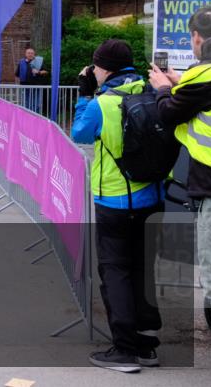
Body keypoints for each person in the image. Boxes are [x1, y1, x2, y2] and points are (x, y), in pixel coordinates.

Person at [71, 39, 162, 372]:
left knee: (115, 272)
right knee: (142, 270)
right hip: (152, 197)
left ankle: (124, 350)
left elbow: (80, 133)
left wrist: (84, 95)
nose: (93, 72)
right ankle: (147, 347)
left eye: (95, 67)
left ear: (105, 69)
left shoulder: (103, 102)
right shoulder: (153, 92)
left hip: (114, 199)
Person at [151, 7, 211, 343]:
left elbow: (169, 114)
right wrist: (178, 85)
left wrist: (163, 88)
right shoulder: (201, 83)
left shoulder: (201, 78)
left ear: (197, 38)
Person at [16, 47, 48, 113]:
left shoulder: (39, 61)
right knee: (26, 104)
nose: (30, 54)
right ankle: (26, 117)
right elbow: (17, 74)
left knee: (37, 104)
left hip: (37, 86)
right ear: (25, 54)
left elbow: (46, 71)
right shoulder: (21, 62)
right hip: (25, 86)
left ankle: (35, 117)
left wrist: (38, 72)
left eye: (32, 53)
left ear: (34, 54)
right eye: (28, 53)